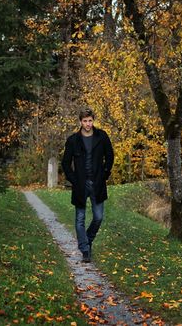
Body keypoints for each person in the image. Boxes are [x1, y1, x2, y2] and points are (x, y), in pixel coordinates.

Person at [62, 108, 114, 263]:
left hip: (97, 183)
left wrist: (105, 174)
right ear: (80, 122)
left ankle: (87, 240)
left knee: (98, 217)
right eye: (85, 121)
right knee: (80, 219)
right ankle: (85, 250)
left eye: (90, 120)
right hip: (80, 184)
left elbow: (110, 156)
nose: (88, 124)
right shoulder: (73, 140)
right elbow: (65, 163)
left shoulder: (102, 136)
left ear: (93, 120)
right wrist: (74, 180)